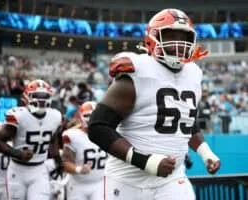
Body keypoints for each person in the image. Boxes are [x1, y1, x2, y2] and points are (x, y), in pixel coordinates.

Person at [88, 8, 221, 200]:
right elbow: (97, 127)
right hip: (127, 181)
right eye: (170, 36)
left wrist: (205, 152)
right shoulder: (138, 71)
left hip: (172, 180)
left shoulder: (193, 74)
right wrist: (146, 161)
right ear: (153, 38)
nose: (178, 43)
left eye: (184, 37)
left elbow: (186, 121)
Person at [0, 79, 62, 200]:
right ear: (27, 97)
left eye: (45, 96)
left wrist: (58, 160)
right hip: (17, 170)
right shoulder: (19, 116)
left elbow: (53, 138)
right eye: (37, 96)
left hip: (39, 169)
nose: (41, 100)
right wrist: (18, 154)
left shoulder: (55, 116)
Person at [62, 101, 107, 200]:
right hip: (78, 185)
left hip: (100, 183)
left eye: (95, 115)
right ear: (81, 117)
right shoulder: (73, 136)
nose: (92, 119)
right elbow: (64, 163)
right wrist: (78, 169)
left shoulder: (107, 135)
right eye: (88, 115)